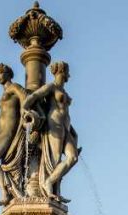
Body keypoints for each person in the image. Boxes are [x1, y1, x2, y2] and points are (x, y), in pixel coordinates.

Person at [22, 60, 80, 203]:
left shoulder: (64, 91)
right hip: (54, 125)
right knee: (54, 160)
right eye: (67, 72)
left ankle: (50, 182)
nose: (69, 75)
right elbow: (33, 96)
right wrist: (25, 109)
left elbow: (66, 112)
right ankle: (49, 187)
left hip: (66, 127)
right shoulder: (52, 87)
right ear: (61, 71)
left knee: (73, 157)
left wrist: (73, 131)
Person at [0, 63, 28, 206]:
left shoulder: (13, 87)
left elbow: (24, 97)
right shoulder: (5, 91)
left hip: (8, 132)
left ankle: (5, 192)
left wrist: (25, 114)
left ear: (8, 74)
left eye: (1, 73)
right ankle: (9, 189)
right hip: (1, 133)